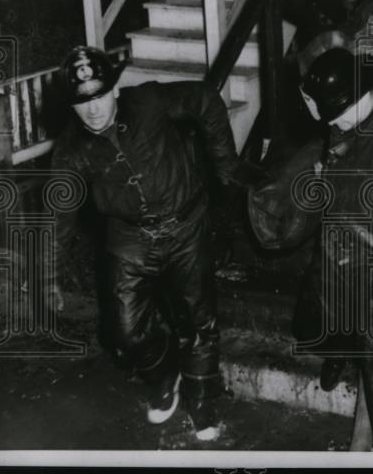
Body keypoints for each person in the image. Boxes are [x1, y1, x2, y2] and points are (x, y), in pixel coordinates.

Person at [48, 46, 238, 441]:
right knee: (125, 332)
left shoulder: (149, 101)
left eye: (99, 96)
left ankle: (201, 399)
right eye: (82, 102)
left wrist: (225, 170)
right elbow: (59, 215)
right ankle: (164, 373)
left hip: (185, 224)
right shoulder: (69, 149)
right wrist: (49, 274)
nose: (94, 109)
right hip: (129, 236)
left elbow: (205, 99)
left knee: (198, 319)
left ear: (114, 90)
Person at [249, 47, 373, 451]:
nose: (330, 125)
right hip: (341, 243)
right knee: (317, 318)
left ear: (354, 100)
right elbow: (338, 147)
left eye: (333, 117)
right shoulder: (349, 115)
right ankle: (340, 350)